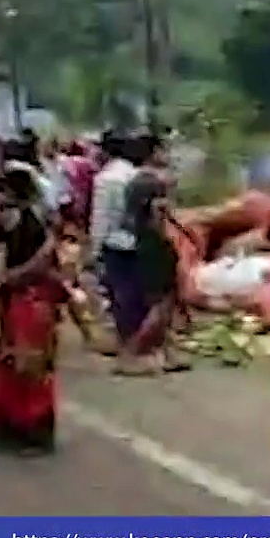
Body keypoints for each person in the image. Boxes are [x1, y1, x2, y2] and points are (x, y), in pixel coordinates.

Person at [0, 168, 65, 454]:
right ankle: (6, 428)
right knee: (9, 364)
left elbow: (41, 264)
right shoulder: (13, 221)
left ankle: (37, 434)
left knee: (31, 367)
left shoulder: (31, 223)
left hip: (31, 300)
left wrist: (12, 277)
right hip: (17, 298)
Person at [118, 173, 189, 374]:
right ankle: (131, 353)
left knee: (164, 310)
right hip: (156, 256)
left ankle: (166, 353)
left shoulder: (138, 221)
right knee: (160, 310)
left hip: (155, 252)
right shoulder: (151, 221)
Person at [90, 131, 145, 353]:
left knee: (119, 294)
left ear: (105, 151)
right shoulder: (135, 175)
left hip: (115, 243)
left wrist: (95, 249)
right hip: (138, 241)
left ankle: (125, 341)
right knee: (135, 294)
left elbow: (102, 217)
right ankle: (138, 338)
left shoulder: (106, 179)